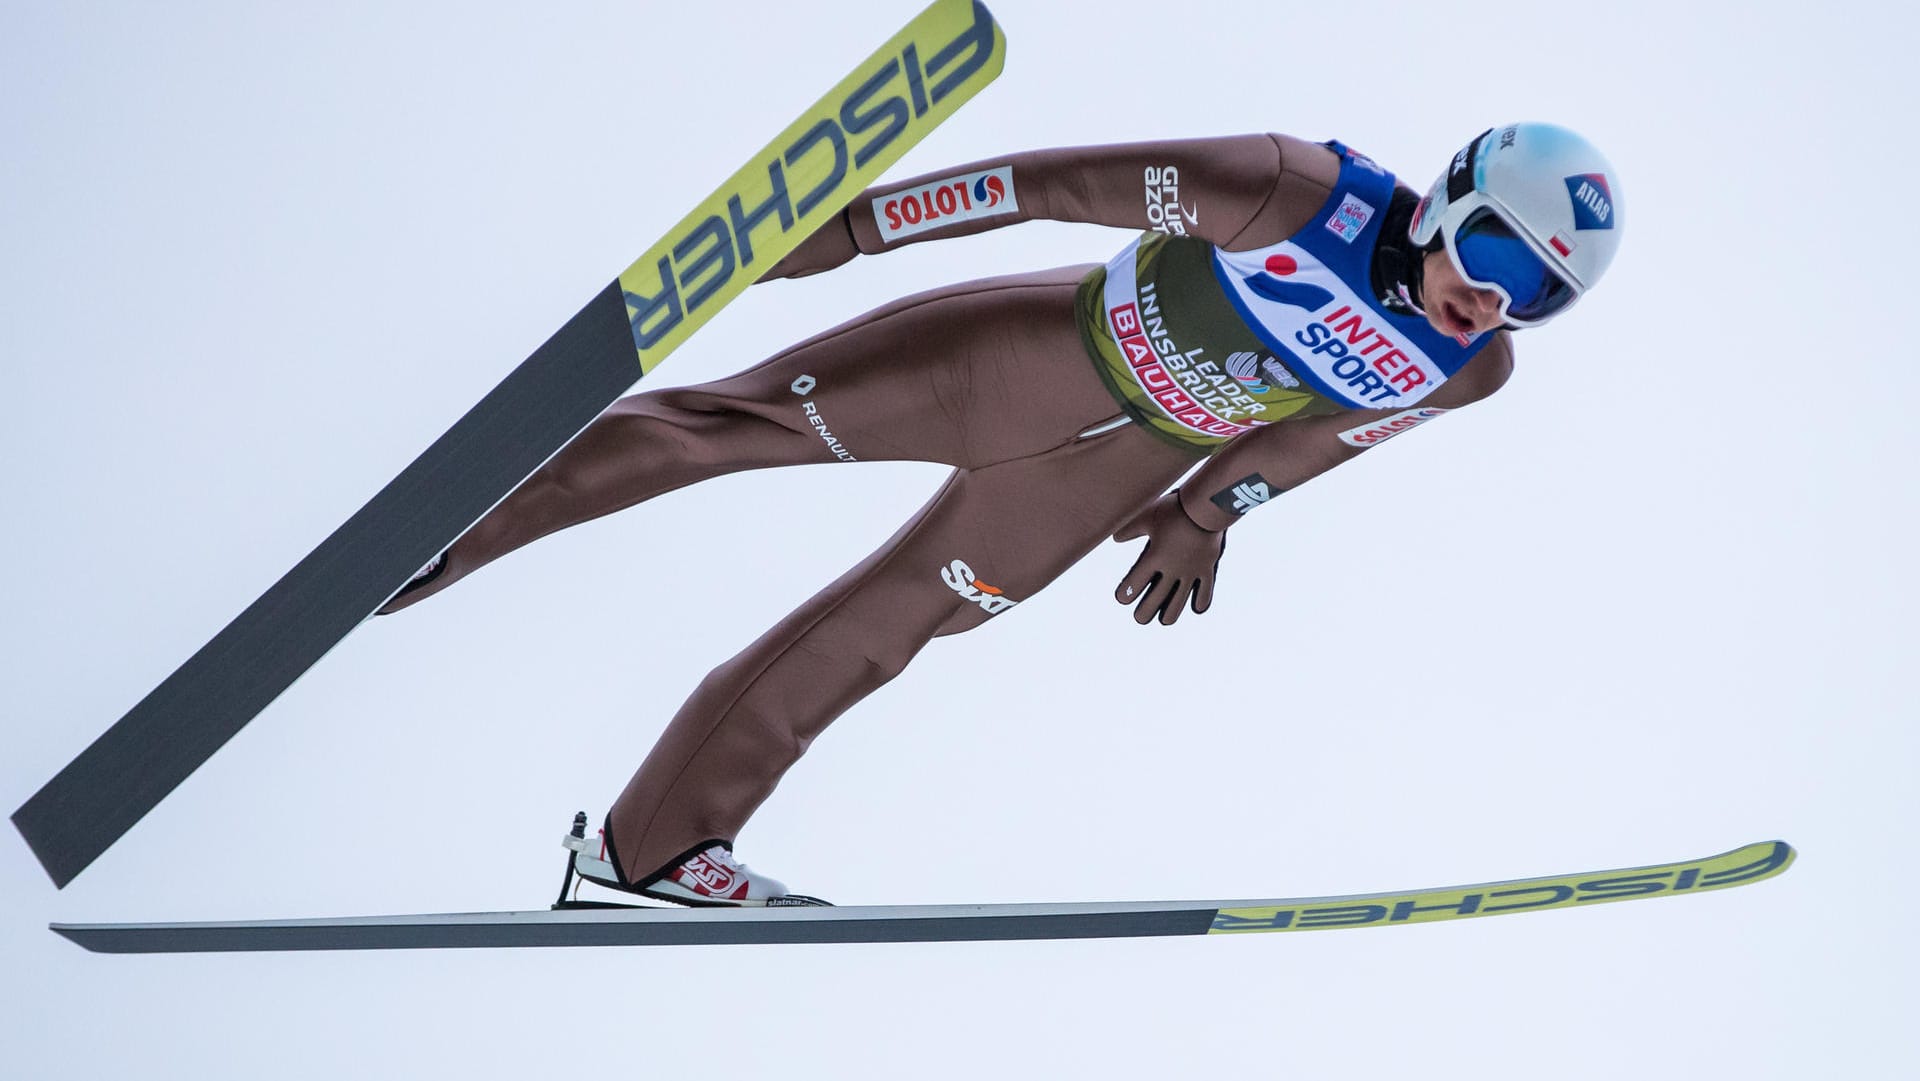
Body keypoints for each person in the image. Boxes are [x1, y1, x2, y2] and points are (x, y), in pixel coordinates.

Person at [383, 122, 1624, 906]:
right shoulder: (1300, 194)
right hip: (1026, 359)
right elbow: (1041, 184)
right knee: (730, 427)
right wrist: (856, 228)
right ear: (1455, 201)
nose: (1495, 307)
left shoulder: (1466, 370)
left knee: (879, 633)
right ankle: (448, 526)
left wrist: (1210, 514)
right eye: (1502, 265)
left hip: (1100, 475)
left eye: (1541, 300)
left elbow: (1321, 441)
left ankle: (646, 851)